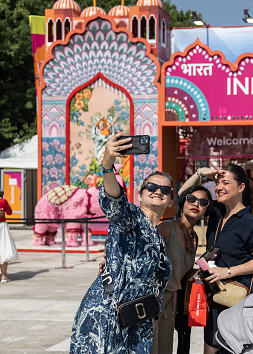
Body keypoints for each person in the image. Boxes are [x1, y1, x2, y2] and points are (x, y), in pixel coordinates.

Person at [70, 133, 172, 354]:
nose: (158, 192)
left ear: (171, 200)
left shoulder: (159, 239)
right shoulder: (131, 218)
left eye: (165, 190)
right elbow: (116, 202)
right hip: (107, 316)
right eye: (152, 187)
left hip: (136, 322)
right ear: (140, 193)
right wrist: (107, 166)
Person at [180, 165, 253, 354]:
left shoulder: (249, 222)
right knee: (211, 348)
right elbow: (181, 197)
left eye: (226, 183)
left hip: (242, 298)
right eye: (218, 182)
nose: (219, 187)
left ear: (241, 187)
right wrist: (200, 174)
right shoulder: (217, 212)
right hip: (218, 294)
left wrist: (227, 271)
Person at [152, 185, 211, 354]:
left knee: (165, 348)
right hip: (156, 298)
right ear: (183, 203)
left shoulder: (194, 236)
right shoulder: (166, 228)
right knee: (152, 348)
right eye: (191, 199)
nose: (196, 204)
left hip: (173, 301)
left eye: (203, 202)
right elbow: (144, 252)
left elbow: (182, 269)